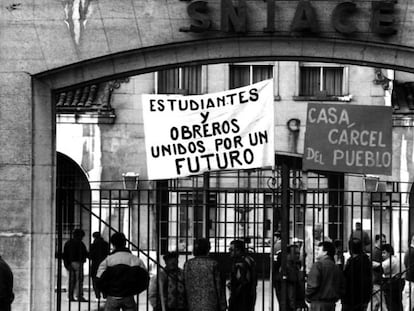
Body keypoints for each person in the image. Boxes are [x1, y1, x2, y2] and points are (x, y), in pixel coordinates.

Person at [96, 232, 149, 311]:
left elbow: (99, 280)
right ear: (125, 243)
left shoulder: (108, 260)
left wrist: (107, 292)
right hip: (128, 296)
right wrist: (134, 291)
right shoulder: (135, 260)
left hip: (112, 296)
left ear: (112, 244)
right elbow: (145, 279)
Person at [183, 238, 226, 311]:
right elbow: (219, 285)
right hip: (211, 303)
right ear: (208, 249)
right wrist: (223, 305)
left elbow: (185, 283)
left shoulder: (188, 264)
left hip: (193, 303)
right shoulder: (213, 264)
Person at [306, 241, 345, 311]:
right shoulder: (336, 268)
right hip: (331, 304)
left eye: (319, 250)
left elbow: (312, 285)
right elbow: (341, 287)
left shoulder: (318, 265)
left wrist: (308, 296)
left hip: (318, 303)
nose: (316, 252)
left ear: (325, 252)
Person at [342, 238, 372, 311]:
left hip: (351, 298)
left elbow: (347, 278)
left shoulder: (353, 262)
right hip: (362, 298)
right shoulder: (365, 260)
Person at [228, 239, 257, 311]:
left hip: (241, 297)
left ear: (238, 250)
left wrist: (234, 289)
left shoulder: (240, 262)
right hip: (248, 295)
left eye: (231, 249)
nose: (229, 252)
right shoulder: (249, 259)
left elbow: (243, 281)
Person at [375, 243, 405, 311]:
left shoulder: (390, 261)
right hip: (399, 283)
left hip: (393, 284)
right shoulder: (395, 259)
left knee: (391, 304)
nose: (382, 255)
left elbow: (380, 268)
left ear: (389, 253)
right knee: (397, 303)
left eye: (384, 253)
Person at [63, 228, 89, 302]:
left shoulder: (68, 243)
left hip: (69, 263)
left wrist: (66, 264)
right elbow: (85, 253)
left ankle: (70, 296)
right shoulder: (80, 243)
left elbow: (65, 254)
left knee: (70, 280)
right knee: (79, 280)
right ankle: (79, 295)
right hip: (78, 262)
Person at [367, 233, 388, 311]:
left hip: (375, 281)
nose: (384, 243)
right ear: (377, 241)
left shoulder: (376, 251)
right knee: (382, 304)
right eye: (382, 241)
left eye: (385, 241)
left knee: (374, 303)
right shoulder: (377, 252)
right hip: (376, 281)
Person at [285, 244, 307, 311]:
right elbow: (291, 290)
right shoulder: (287, 267)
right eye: (295, 253)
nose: (298, 255)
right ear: (288, 254)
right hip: (292, 303)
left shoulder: (296, 265)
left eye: (298, 253)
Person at [90, 232, 110, 300]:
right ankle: (105, 295)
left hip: (95, 264)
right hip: (104, 263)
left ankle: (97, 296)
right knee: (104, 280)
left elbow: (90, 256)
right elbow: (108, 253)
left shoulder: (93, 245)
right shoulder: (105, 244)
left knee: (95, 281)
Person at [404, 234, 414, 311]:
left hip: (409, 280)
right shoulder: (412, 252)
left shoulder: (409, 251)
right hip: (412, 281)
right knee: (410, 304)